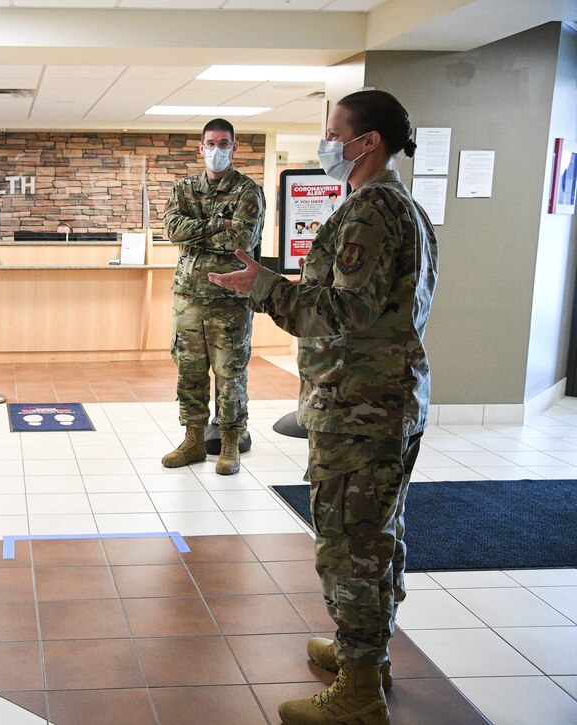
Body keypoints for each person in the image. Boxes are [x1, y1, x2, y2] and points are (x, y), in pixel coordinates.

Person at [209, 90, 438, 724]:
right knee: (376, 537)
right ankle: (363, 652)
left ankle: (360, 692)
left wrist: (263, 288)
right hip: (389, 400)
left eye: (335, 132)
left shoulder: (369, 213)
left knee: (351, 545)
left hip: (362, 409)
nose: (326, 143)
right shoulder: (403, 209)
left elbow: (341, 314)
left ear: (368, 142)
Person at [160, 118, 265, 475]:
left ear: (234, 148)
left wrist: (198, 232)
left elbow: (240, 241)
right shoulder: (185, 188)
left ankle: (230, 442)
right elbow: (173, 230)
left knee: (229, 373)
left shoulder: (248, 191)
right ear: (201, 147)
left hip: (229, 301)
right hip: (187, 298)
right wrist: (217, 224)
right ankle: (192, 441)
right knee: (189, 372)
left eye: (223, 143)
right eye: (210, 143)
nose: (216, 149)